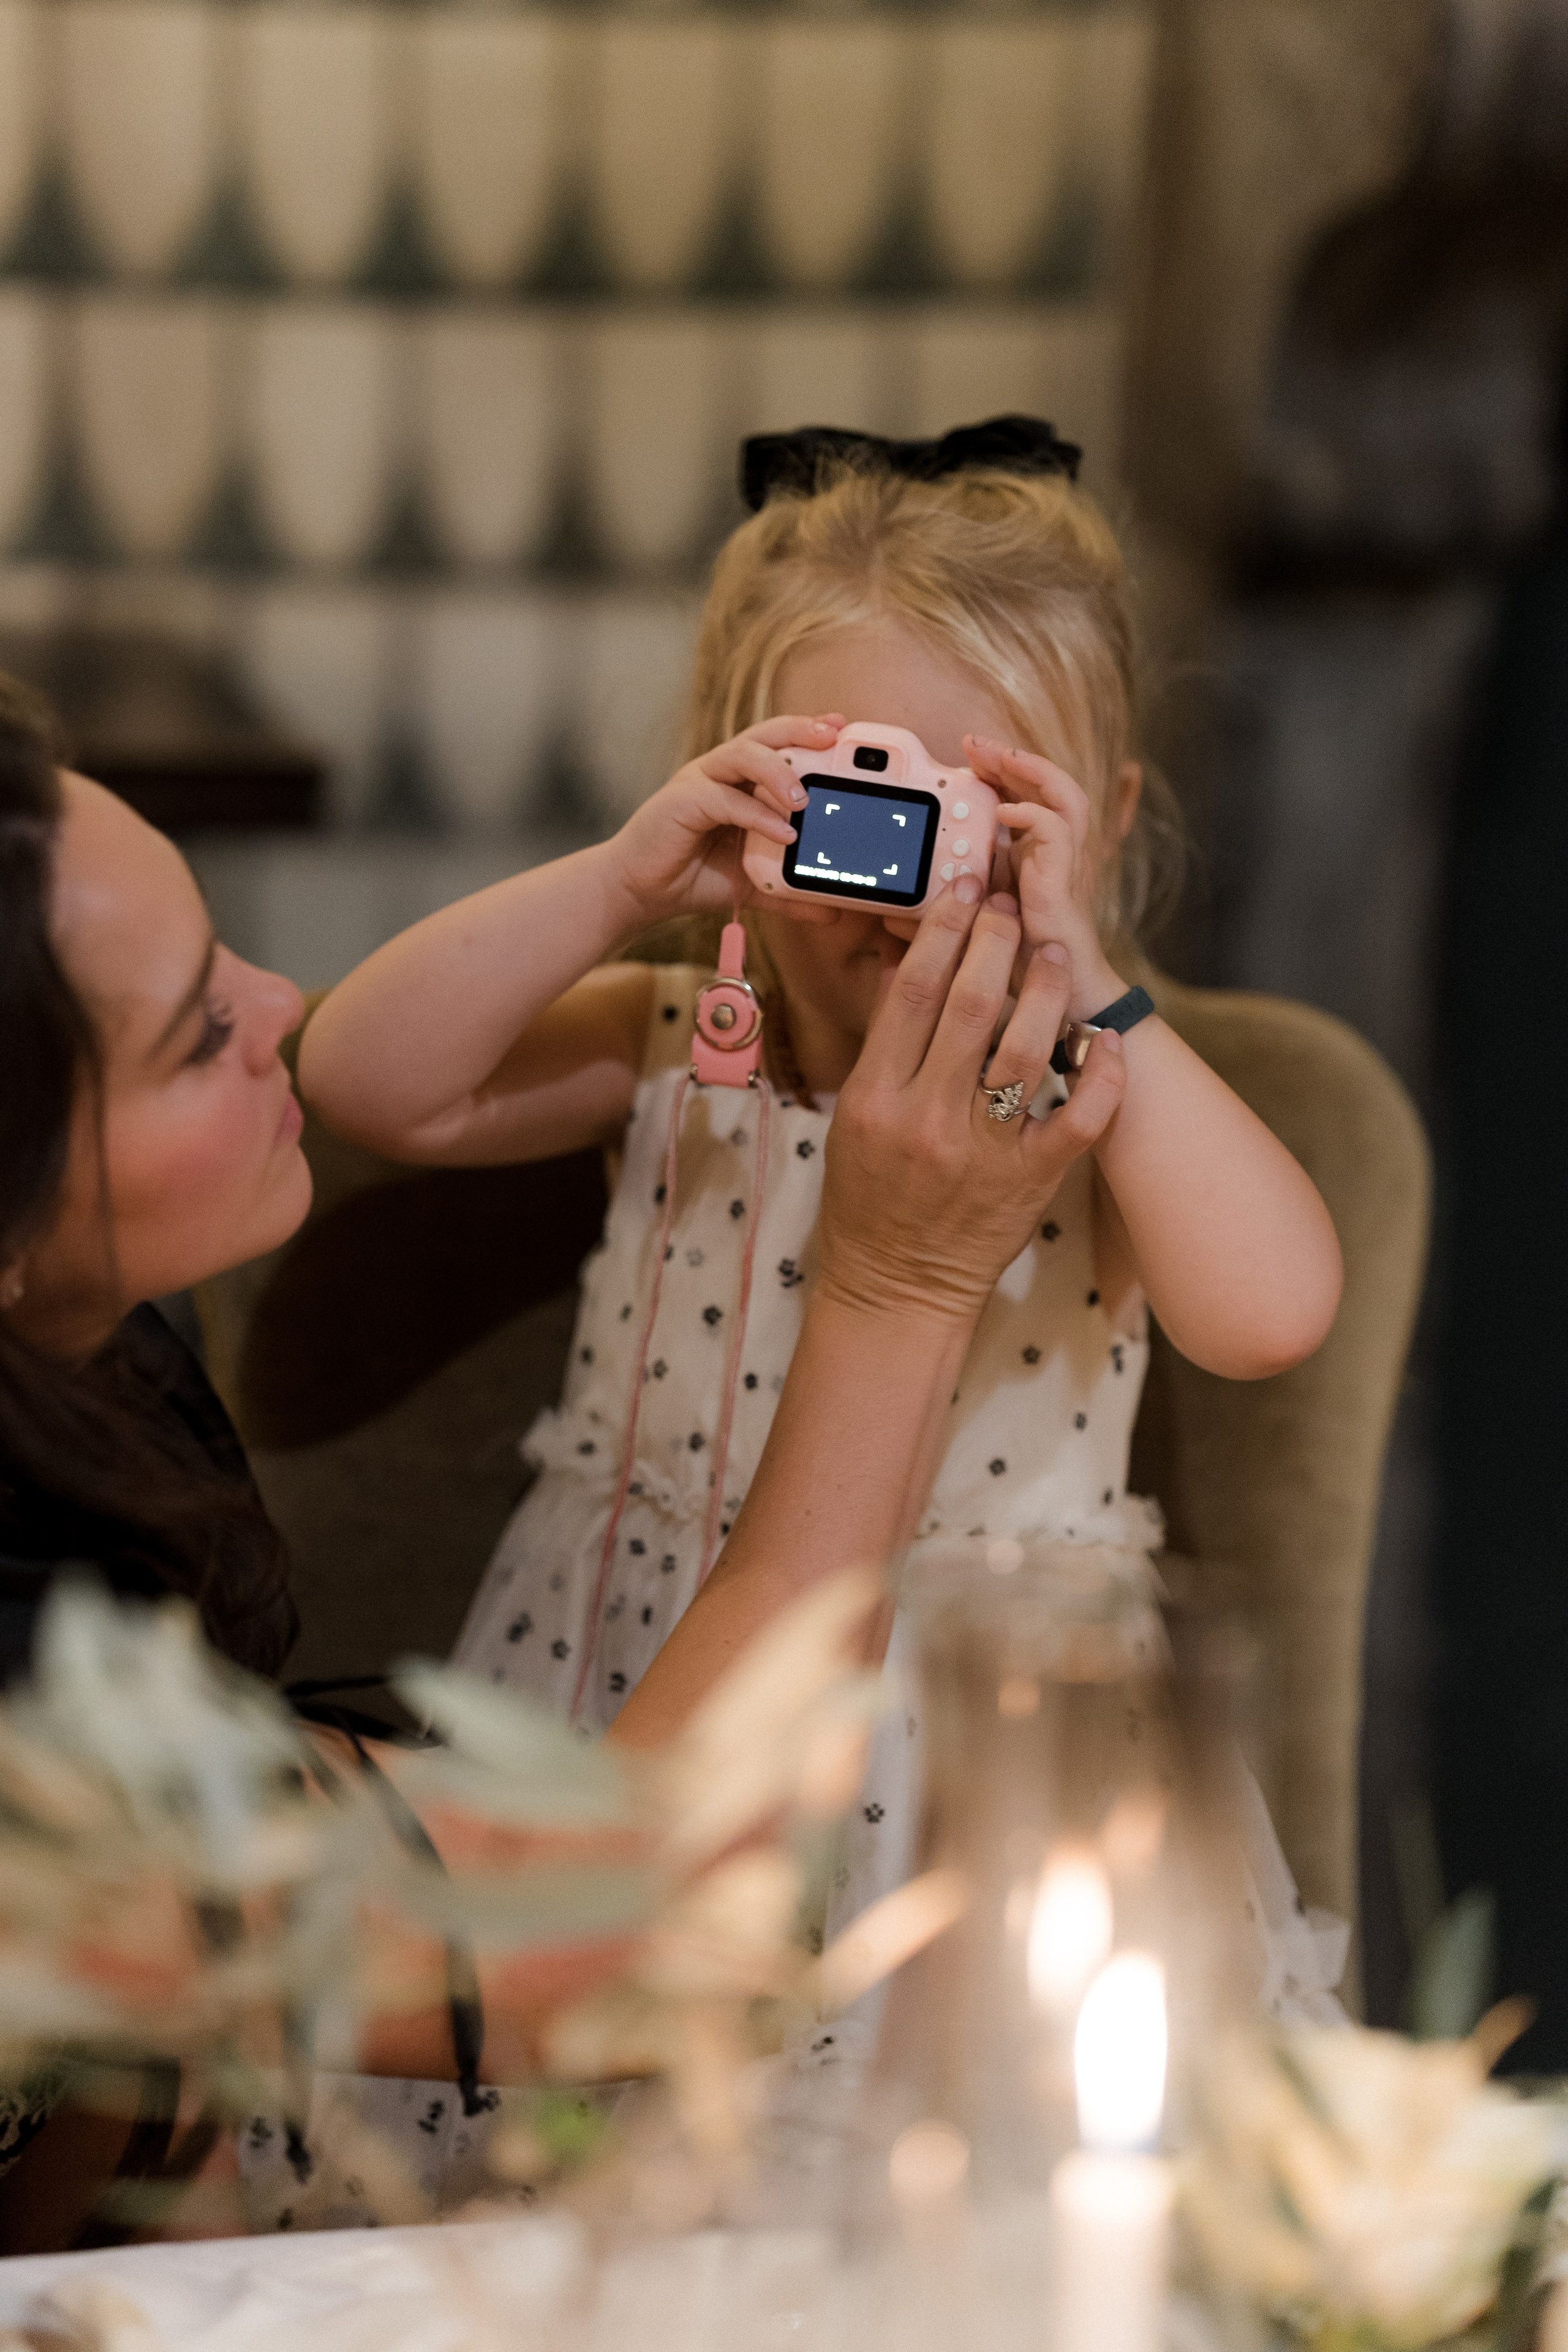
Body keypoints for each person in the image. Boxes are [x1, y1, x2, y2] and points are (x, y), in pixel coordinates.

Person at [0, 669, 1124, 2243]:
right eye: (195, 1034)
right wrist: (896, 1291)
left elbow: (126, 2087)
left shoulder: (94, 1362)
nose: (280, 1007)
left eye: (226, 951)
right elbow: (638, 1926)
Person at [298, 425, 1346, 2018]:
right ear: (739, 782)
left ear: (1104, 822)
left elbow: (1273, 1313)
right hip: (642, 1680)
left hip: (988, 1748)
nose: (903, 876)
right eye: (857, 794)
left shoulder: (1092, 1092)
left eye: (977, 810)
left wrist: (1094, 977)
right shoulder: (666, 1034)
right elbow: (367, 1080)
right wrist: (622, 876)